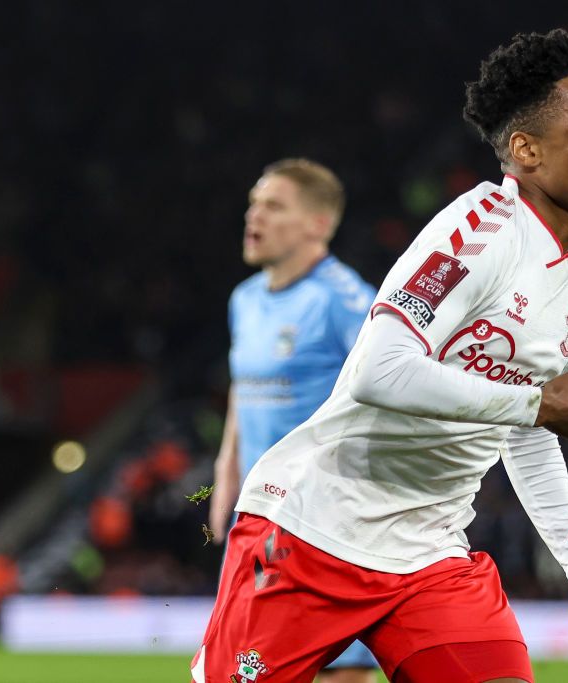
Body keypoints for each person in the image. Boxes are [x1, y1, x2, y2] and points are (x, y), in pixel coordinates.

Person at [192, 29, 568, 683]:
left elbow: (530, 427)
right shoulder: (480, 230)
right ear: (527, 150)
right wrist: (536, 401)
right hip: (312, 530)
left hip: (429, 556)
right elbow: (380, 369)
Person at [208, 158, 379, 683]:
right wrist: (225, 473)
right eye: (254, 203)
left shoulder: (347, 302)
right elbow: (242, 389)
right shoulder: (245, 300)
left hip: (326, 527)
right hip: (258, 520)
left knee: (338, 675)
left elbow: (399, 390)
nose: (253, 215)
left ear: (318, 224)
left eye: (274, 205)